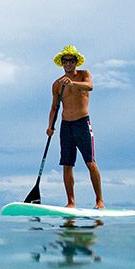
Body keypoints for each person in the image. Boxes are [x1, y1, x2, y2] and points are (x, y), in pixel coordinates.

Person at [46, 45, 104, 209]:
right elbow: (54, 107)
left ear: (76, 62)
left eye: (71, 60)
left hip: (82, 123)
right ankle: (71, 202)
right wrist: (50, 126)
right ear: (62, 63)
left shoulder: (84, 75)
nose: (68, 63)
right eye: (65, 61)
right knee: (67, 164)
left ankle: (99, 200)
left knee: (90, 162)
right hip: (66, 126)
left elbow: (90, 86)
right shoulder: (57, 84)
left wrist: (72, 83)